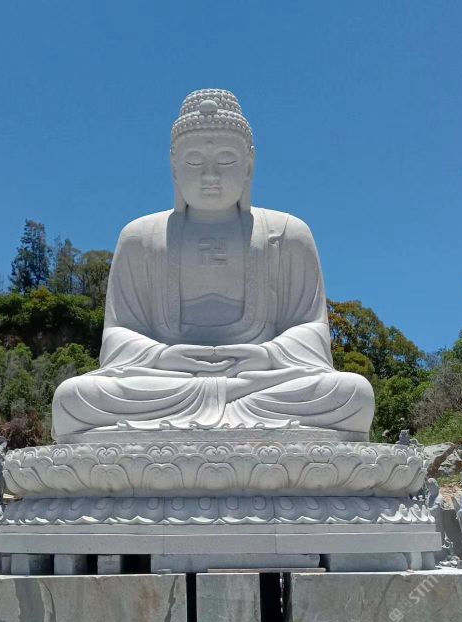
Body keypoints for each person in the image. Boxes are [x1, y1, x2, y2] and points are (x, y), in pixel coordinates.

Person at [52, 89, 374, 440]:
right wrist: (163, 358)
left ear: (249, 166)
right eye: (194, 162)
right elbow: (119, 334)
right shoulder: (140, 237)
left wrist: (267, 355)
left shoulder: (286, 233)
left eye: (225, 160)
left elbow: (311, 328)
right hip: (168, 382)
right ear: (174, 168)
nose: (210, 175)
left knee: (354, 394)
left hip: (258, 381)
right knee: (72, 398)